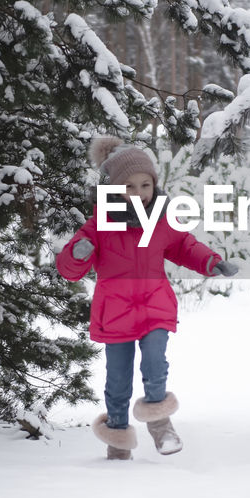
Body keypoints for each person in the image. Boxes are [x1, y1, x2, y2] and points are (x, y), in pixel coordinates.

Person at [56, 136, 237, 460]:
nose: (139, 193)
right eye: (130, 187)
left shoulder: (161, 220)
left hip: (155, 307)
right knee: (118, 380)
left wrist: (212, 261)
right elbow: (69, 270)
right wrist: (78, 253)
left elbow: (184, 246)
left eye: (145, 185)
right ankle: (118, 440)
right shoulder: (99, 224)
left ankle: (160, 425)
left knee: (155, 364)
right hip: (116, 313)